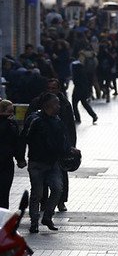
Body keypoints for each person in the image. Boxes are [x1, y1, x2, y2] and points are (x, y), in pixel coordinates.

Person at [20, 92, 69, 233]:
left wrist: (69, 150)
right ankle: (34, 222)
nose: (59, 106)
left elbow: (62, 140)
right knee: (37, 193)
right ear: (48, 105)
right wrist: (21, 157)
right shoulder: (34, 120)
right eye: (56, 103)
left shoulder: (57, 120)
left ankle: (47, 216)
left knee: (57, 188)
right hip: (37, 162)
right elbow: (24, 138)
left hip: (53, 162)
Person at [28, 79, 76, 212]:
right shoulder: (37, 103)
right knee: (41, 182)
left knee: (61, 177)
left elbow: (70, 126)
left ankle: (60, 201)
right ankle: (43, 206)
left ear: (59, 89)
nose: (51, 90)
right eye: (49, 88)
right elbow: (28, 127)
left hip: (60, 147)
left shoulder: (64, 104)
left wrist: (70, 145)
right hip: (41, 151)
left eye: (53, 88)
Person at [0, 99, 24, 210]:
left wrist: (20, 158)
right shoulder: (10, 124)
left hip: (7, 162)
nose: (11, 115)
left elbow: (17, 143)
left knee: (5, 192)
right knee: (4, 193)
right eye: (9, 112)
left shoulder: (12, 124)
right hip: (6, 161)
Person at [71, 60, 98, 124]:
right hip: (84, 91)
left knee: (74, 105)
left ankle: (78, 118)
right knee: (85, 103)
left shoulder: (76, 74)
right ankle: (94, 115)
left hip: (77, 91)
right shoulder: (83, 73)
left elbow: (76, 82)